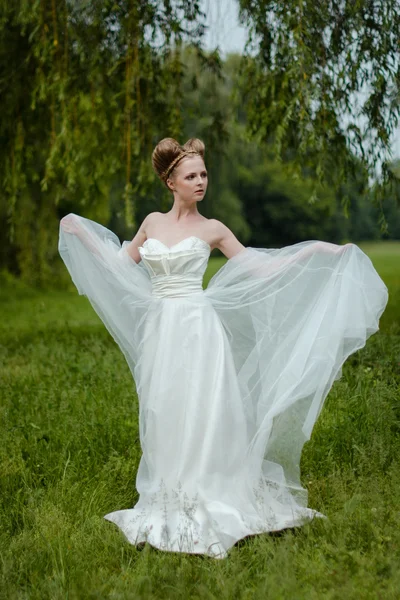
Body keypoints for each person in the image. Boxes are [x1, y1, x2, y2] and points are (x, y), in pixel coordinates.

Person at [59, 137, 388, 560]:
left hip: (198, 329)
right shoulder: (152, 223)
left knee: (204, 407)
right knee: (165, 406)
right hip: (162, 330)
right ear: (170, 181)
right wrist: (84, 236)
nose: (200, 182)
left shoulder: (212, 228)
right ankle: (170, 490)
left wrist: (316, 252)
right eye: (191, 176)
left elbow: (256, 265)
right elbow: (123, 265)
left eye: (204, 174)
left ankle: (209, 488)